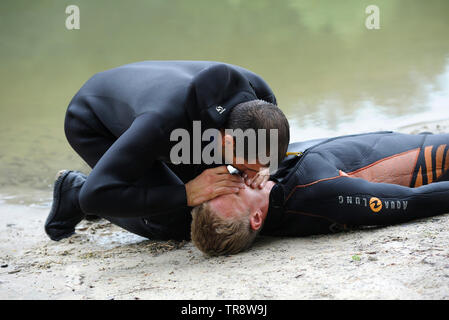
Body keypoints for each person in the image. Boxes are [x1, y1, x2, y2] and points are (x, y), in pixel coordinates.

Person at [45, 60, 290, 242]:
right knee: (176, 220)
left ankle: (132, 200)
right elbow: (94, 196)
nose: (249, 177)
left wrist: (266, 167)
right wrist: (187, 193)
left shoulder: (261, 98)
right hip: (95, 121)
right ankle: (72, 190)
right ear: (230, 142)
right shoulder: (162, 125)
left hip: (168, 116)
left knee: (205, 189)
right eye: (248, 169)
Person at [191, 131, 449, 256]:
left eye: (218, 189)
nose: (233, 179)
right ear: (256, 218)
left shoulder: (270, 185)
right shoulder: (317, 193)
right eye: (235, 193)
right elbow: (412, 202)